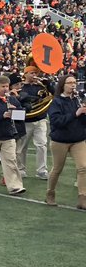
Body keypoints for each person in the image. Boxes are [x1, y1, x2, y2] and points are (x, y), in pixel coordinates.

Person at [46, 73, 86, 209]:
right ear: (63, 85)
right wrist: (75, 114)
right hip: (60, 140)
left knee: (83, 167)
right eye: (70, 83)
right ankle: (50, 193)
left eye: (74, 82)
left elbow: (81, 121)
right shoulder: (56, 102)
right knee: (57, 169)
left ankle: (82, 198)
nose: (73, 85)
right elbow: (56, 121)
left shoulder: (76, 100)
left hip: (78, 139)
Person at [16, 64, 52, 180]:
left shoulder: (41, 86)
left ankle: (42, 170)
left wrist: (49, 84)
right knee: (22, 147)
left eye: (36, 73)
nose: (35, 75)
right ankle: (21, 170)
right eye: (32, 73)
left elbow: (54, 94)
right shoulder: (21, 87)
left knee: (42, 145)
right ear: (25, 74)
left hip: (40, 119)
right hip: (26, 120)